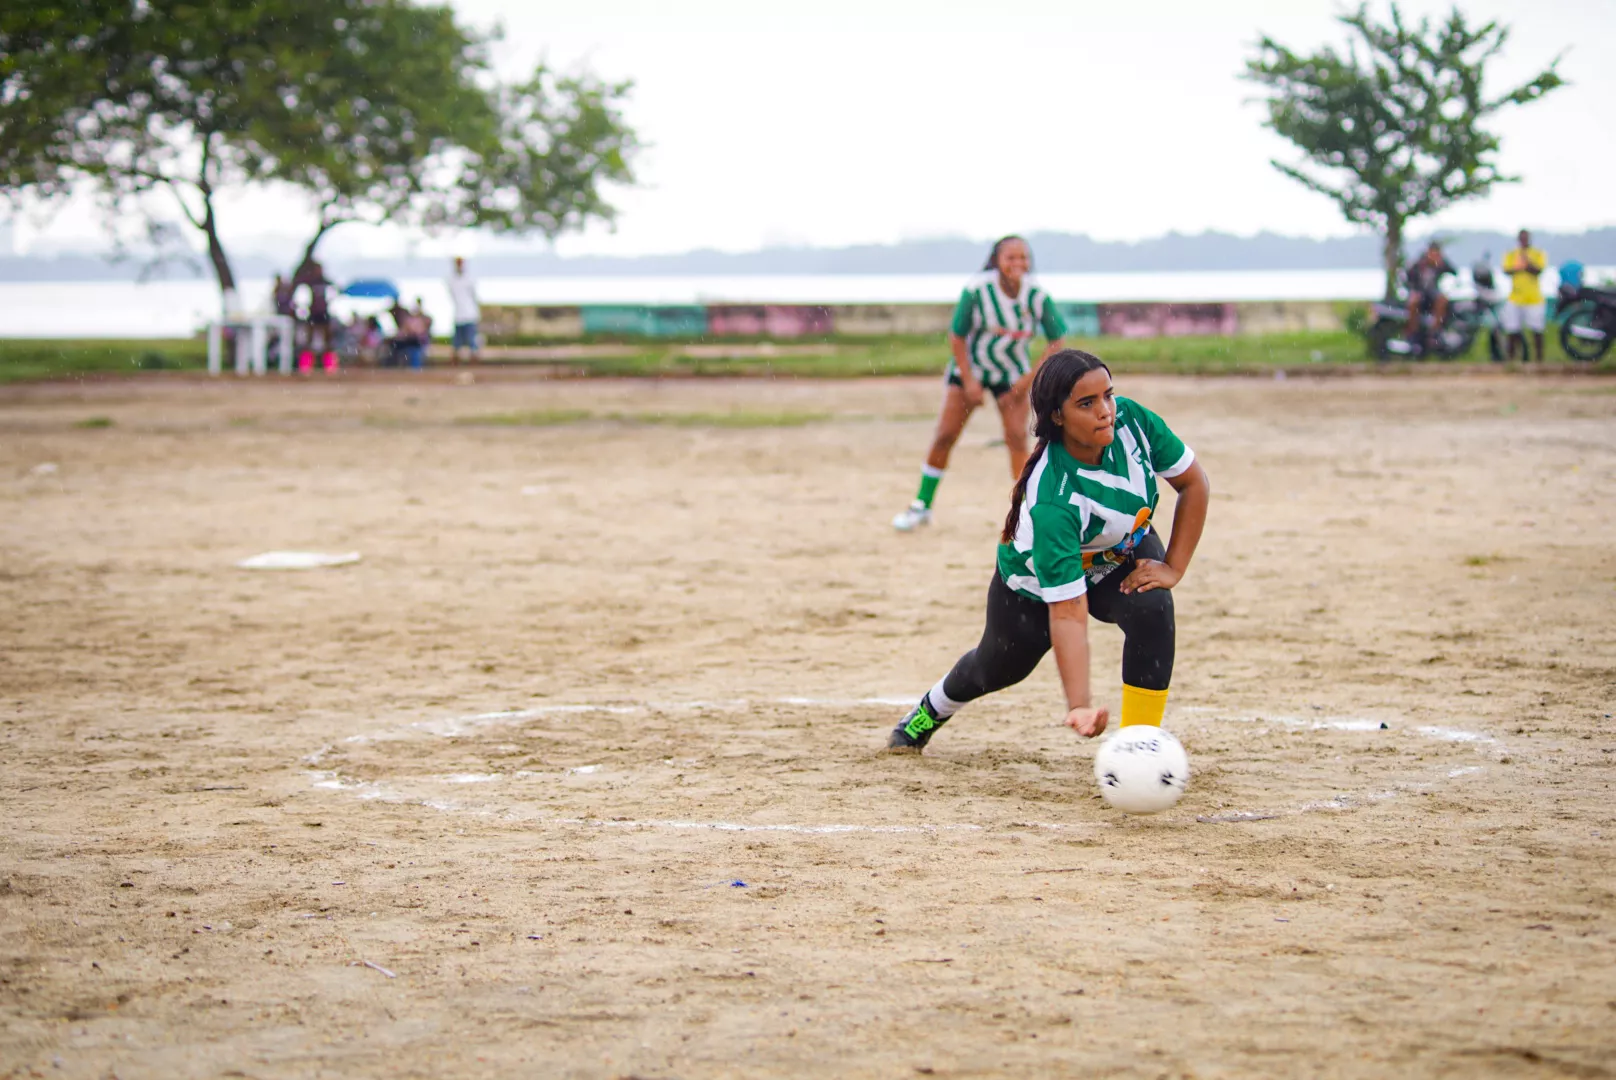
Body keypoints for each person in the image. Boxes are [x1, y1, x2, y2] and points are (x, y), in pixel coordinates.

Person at [886, 349, 1210, 752]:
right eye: (1086, 403)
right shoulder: (1054, 501)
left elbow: (1194, 484)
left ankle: (1138, 749)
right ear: (1057, 416)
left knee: (1153, 606)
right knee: (997, 667)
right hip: (1035, 581)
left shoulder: (1133, 422)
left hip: (1116, 548)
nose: (1106, 410)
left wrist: (1174, 567)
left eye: (1108, 395)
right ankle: (928, 712)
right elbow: (1069, 613)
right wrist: (1080, 705)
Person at [892, 236, 1067, 532]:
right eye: (1010, 257)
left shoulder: (1036, 295)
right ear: (997, 260)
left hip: (1014, 373)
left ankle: (1026, 513)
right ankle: (921, 505)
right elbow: (957, 336)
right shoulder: (977, 291)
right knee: (945, 434)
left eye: (1023, 257)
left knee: (1016, 438)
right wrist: (970, 381)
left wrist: (1026, 382)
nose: (1018, 263)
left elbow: (1056, 340)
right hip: (971, 368)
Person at [1501, 229, 1548, 363]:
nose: (1523, 240)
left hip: (1534, 298)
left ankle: (1539, 360)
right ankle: (1511, 360)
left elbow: (1538, 271)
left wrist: (1526, 263)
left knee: (1537, 330)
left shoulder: (1538, 253)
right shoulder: (1511, 254)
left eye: (1525, 238)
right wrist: (1519, 267)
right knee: (1512, 330)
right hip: (1515, 297)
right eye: (1521, 238)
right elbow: (1506, 270)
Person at [1403, 241, 1455, 348]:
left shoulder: (1441, 263)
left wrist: (1441, 264)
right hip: (1420, 292)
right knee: (1413, 301)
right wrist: (1412, 290)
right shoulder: (1419, 263)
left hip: (1432, 294)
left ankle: (1435, 331)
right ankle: (1413, 332)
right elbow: (1408, 277)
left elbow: (1454, 272)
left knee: (1442, 300)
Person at [447, 256, 480, 365]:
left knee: (471, 340)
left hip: (469, 314)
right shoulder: (453, 279)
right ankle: (457, 360)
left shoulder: (468, 278)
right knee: (458, 341)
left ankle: (473, 359)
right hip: (459, 315)